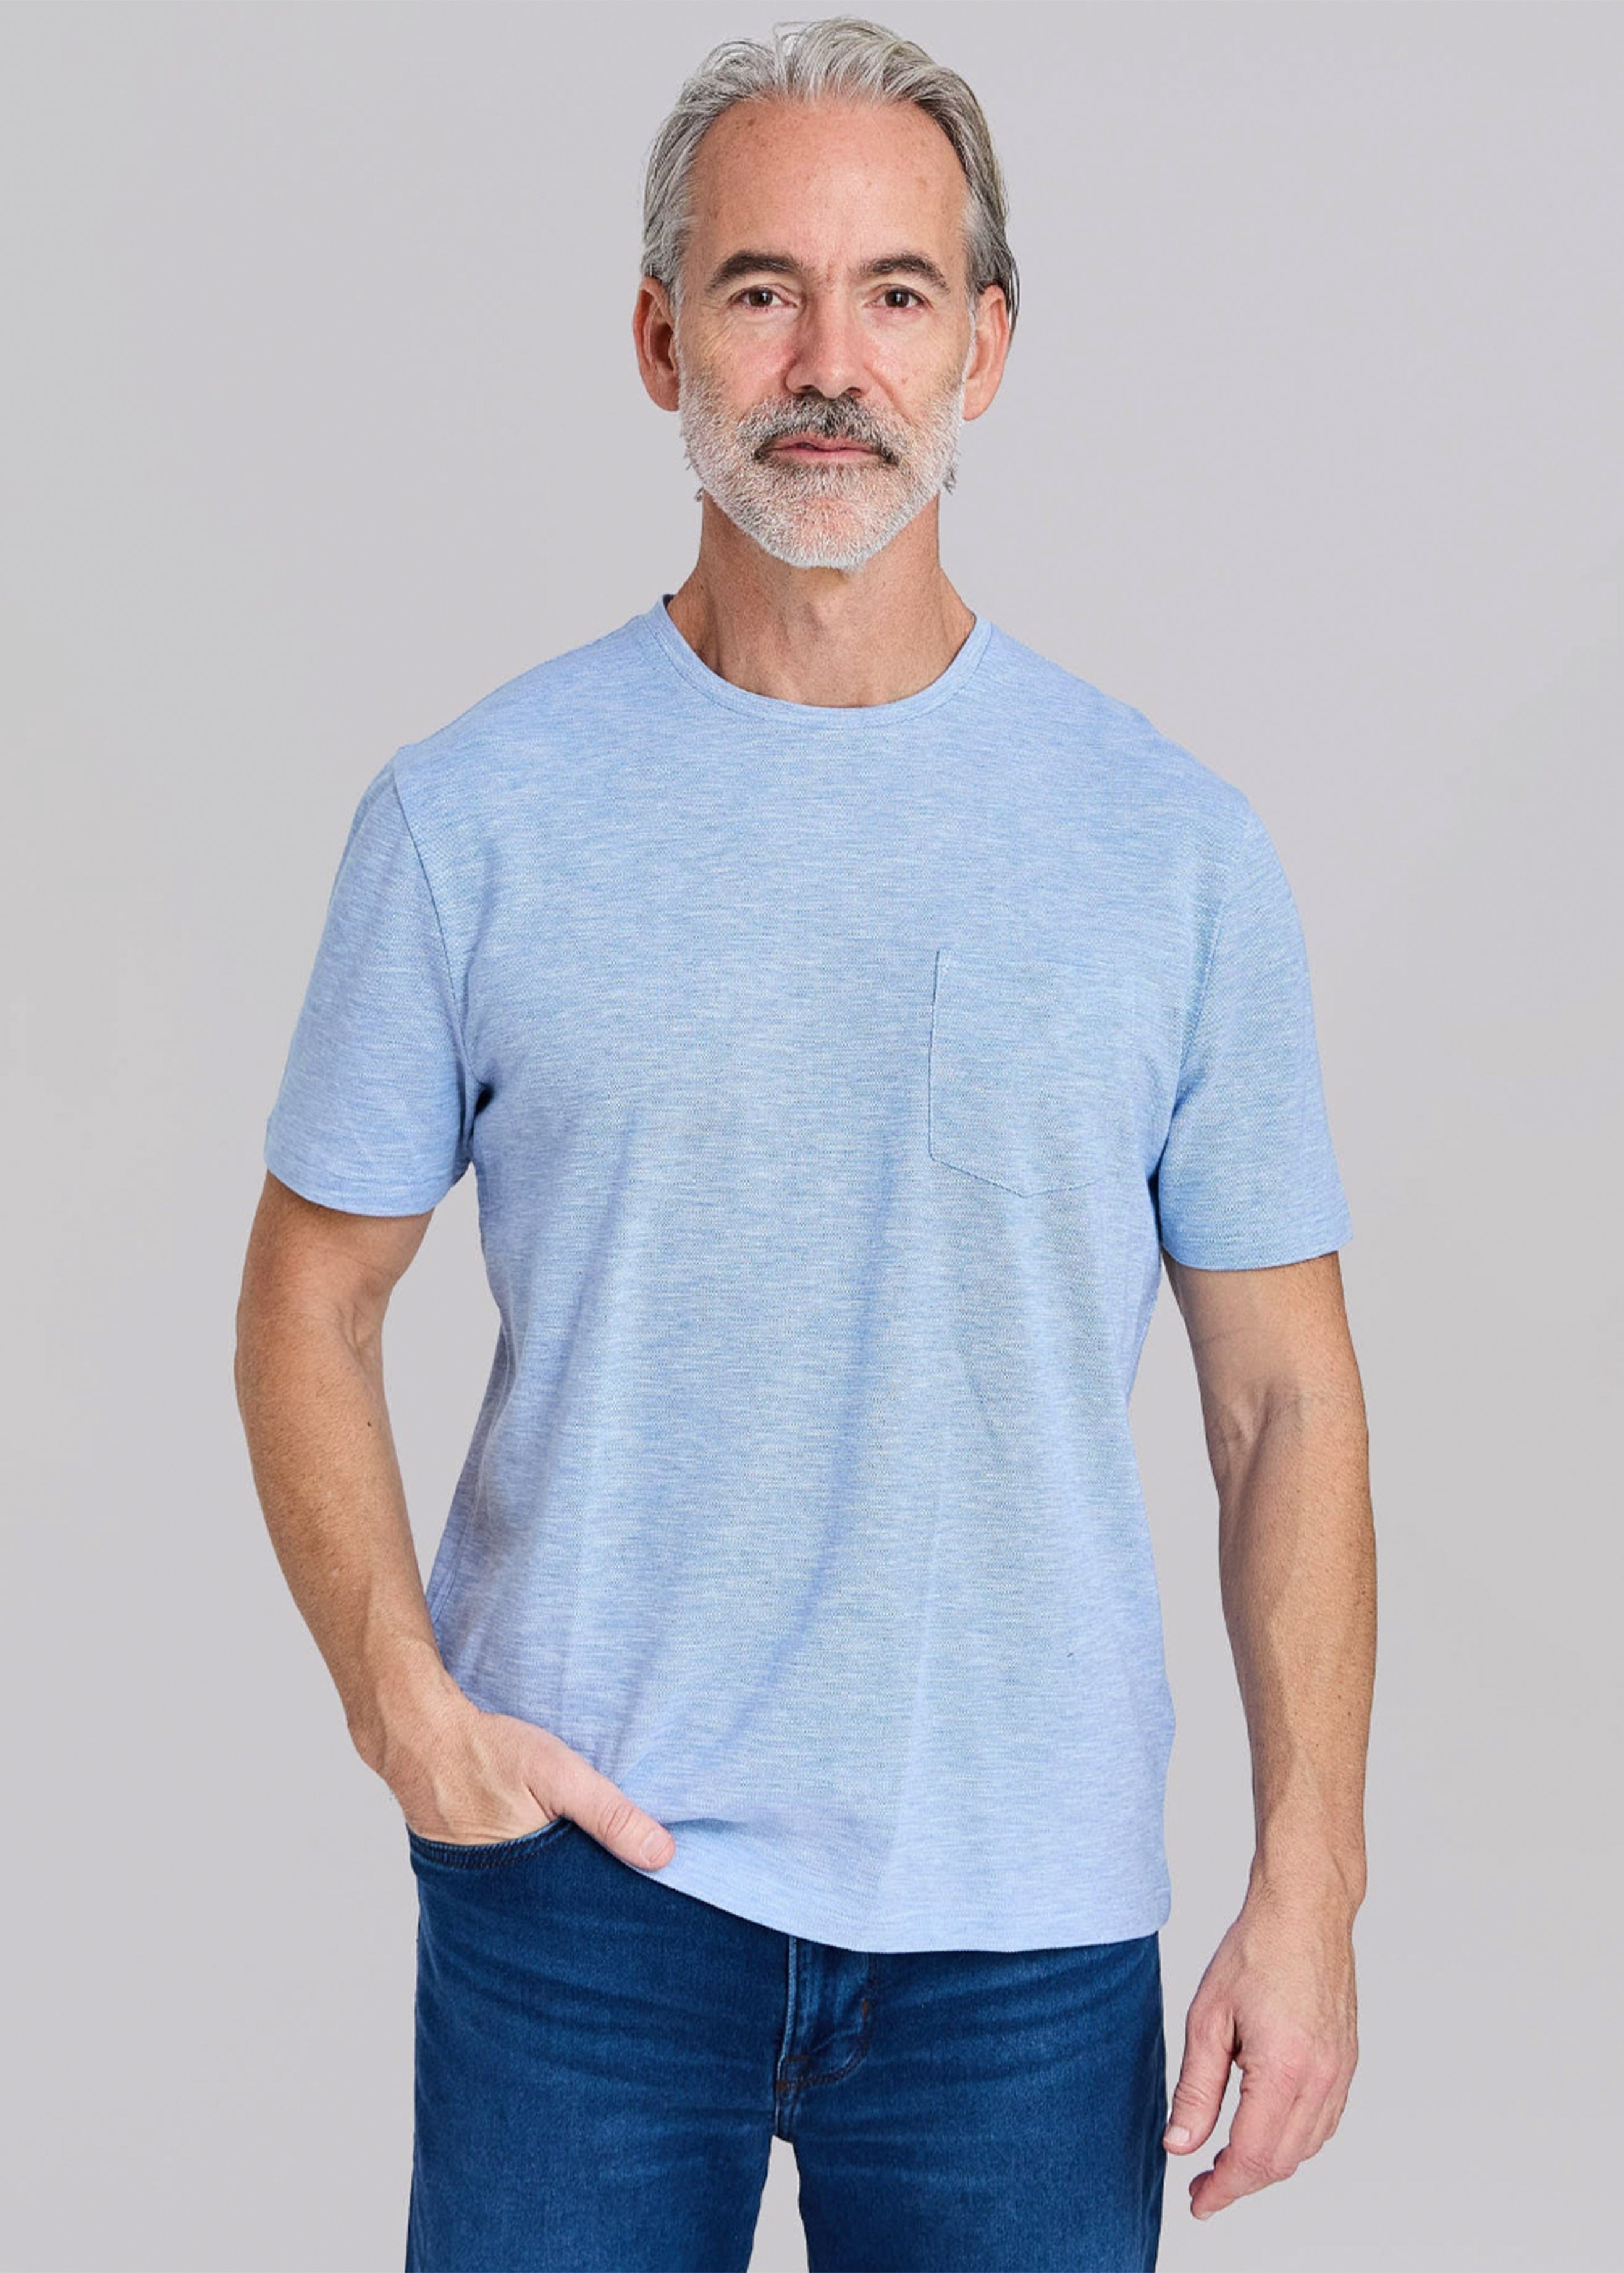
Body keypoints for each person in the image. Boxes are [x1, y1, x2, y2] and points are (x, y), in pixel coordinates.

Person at [234, 16, 1374, 2271]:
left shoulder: (1170, 852)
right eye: (762, 291)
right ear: (664, 342)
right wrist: (403, 1709)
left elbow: (1286, 1402)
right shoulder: (474, 819)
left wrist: (1311, 1880)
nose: (829, 364)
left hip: (1024, 1941)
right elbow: (304, 1300)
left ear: (987, 348)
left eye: (897, 293)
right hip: (580, 1899)